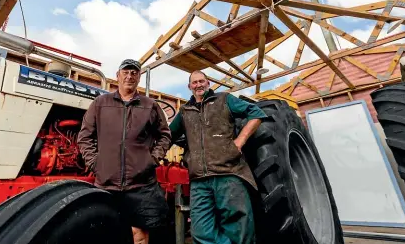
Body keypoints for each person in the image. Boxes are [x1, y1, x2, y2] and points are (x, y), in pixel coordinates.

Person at [77, 59, 172, 244]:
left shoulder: (150, 105)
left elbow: (165, 135)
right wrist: (96, 164)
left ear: (139, 78)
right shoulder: (100, 103)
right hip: (107, 183)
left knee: (140, 234)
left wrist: (152, 159)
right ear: (118, 76)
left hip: (141, 184)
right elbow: (85, 137)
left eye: (134, 73)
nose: (130, 76)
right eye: (126, 72)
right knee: (106, 233)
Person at [169, 70, 267, 244]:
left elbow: (256, 113)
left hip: (228, 173)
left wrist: (239, 141)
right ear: (189, 87)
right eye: (194, 82)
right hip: (199, 180)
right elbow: (168, 135)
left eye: (202, 81)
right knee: (200, 231)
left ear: (208, 83)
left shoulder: (224, 100)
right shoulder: (185, 111)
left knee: (239, 228)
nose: (198, 85)